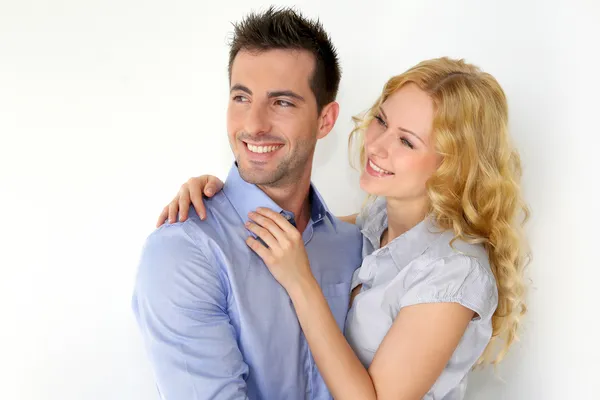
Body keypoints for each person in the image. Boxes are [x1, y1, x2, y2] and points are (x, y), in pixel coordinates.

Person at [158, 57, 531, 399]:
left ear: (453, 165)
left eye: (406, 141)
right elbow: (306, 225)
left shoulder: (454, 272)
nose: (377, 146)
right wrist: (223, 195)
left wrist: (301, 283)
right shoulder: (378, 220)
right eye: (382, 121)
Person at [131, 7, 364, 400]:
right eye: (241, 97)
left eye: (282, 103)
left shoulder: (355, 245)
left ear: (326, 120)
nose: (253, 124)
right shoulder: (184, 251)